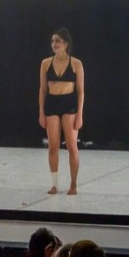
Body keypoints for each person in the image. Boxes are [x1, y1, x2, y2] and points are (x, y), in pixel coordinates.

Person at [38, 28, 85, 195]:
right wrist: (41, 112)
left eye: (57, 41)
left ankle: (73, 184)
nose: (54, 44)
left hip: (69, 104)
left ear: (65, 43)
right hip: (52, 103)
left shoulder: (76, 63)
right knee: (53, 146)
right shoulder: (45, 63)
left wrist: (80, 114)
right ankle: (54, 184)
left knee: (72, 146)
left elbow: (81, 91)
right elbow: (43, 90)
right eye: (52, 41)